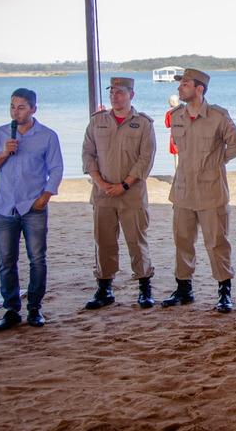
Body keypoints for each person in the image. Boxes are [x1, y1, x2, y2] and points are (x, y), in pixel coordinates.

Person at [0, 88, 63, 331]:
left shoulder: (47, 136)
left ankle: (35, 308)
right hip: (4, 206)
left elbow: (56, 169)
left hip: (33, 206)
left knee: (37, 258)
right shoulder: (0, 134)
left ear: (33, 109)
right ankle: (11, 310)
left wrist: (46, 196)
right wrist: (5, 152)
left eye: (21, 107)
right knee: (6, 260)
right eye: (12, 107)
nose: (16, 112)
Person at [161, 68, 236, 313]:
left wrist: (217, 163)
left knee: (217, 242)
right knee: (182, 241)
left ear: (200, 89)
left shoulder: (218, 116)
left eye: (185, 83)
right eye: (180, 84)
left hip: (211, 191)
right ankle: (184, 289)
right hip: (183, 190)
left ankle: (224, 291)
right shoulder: (176, 116)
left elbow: (235, 145)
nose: (179, 87)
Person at [81, 77, 157, 310]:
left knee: (136, 240)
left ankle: (144, 287)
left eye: (120, 92)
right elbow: (88, 154)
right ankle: (105, 287)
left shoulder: (143, 123)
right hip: (103, 193)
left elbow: (146, 158)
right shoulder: (97, 121)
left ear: (131, 95)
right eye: (112, 92)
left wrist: (124, 184)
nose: (115, 96)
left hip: (131, 193)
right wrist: (101, 182)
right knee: (103, 241)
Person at [164, 94, 181, 170]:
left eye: (169, 102)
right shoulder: (185, 111)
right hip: (185, 136)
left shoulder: (169, 113)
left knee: (176, 157)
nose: (169, 103)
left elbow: (167, 125)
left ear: (172, 102)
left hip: (174, 137)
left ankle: (177, 175)